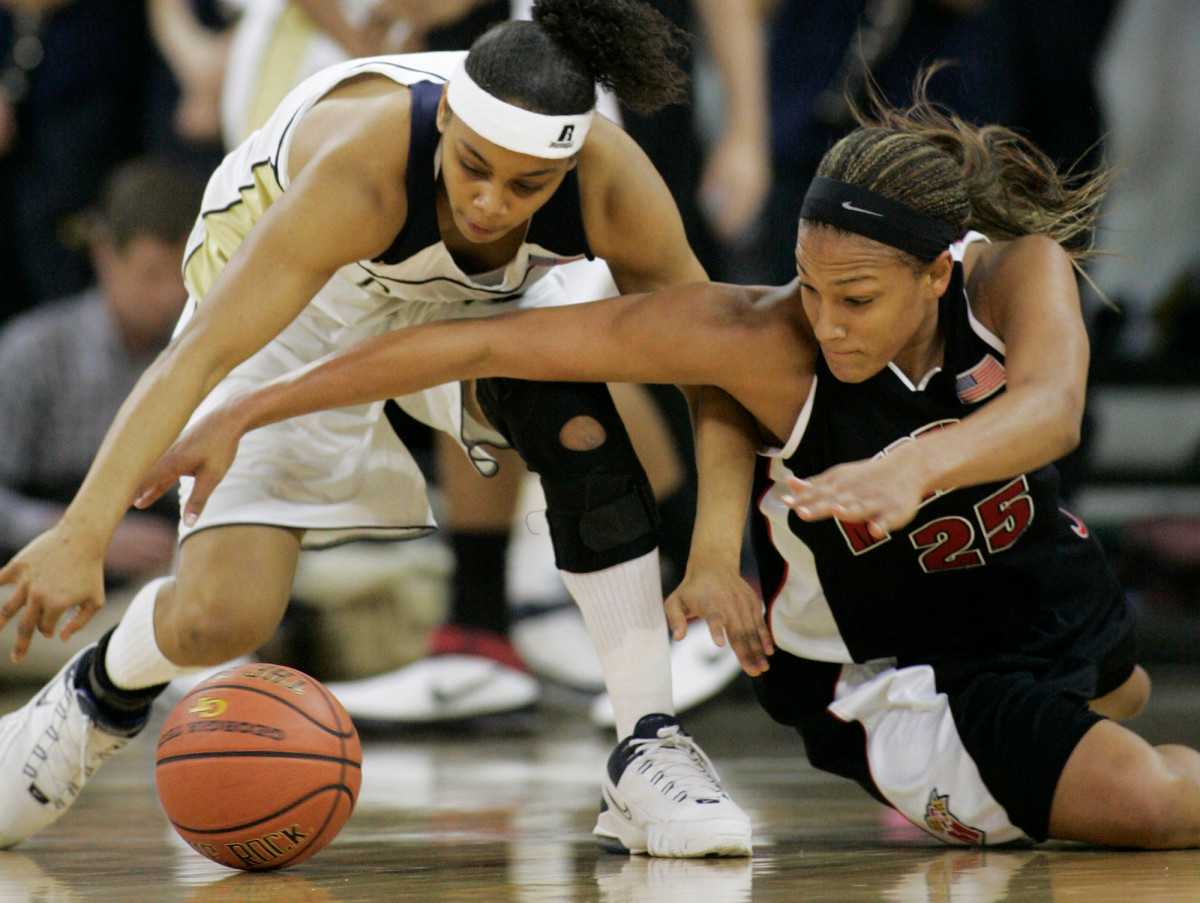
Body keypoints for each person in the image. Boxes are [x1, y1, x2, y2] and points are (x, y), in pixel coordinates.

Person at [136, 71, 1200, 849]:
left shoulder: (1017, 273)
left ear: (937, 275)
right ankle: (928, 767)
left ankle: (1047, 738)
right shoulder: (760, 335)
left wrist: (915, 469)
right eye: (808, 286)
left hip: (1042, 593)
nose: (824, 322)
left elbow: (1054, 413)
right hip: (896, 669)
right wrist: (257, 405)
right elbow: (473, 343)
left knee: (1129, 693)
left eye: (858, 299)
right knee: (1150, 804)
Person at [0, 0, 753, 858]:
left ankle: (648, 745)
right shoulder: (362, 167)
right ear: (450, 123)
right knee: (223, 617)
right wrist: (82, 530)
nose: (490, 202)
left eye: (526, 186)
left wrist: (718, 550)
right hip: (302, 310)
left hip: (474, 308)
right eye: (473, 167)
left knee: (573, 407)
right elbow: (197, 356)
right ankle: (87, 699)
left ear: (569, 162)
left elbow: (716, 362)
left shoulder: (610, 183)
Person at [0, 155, 201, 682]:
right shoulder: (32, 352)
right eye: (152, 275)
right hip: (44, 587)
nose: (171, 296)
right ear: (105, 253)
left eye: (183, 276)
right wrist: (81, 535)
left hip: (169, 579)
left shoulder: (202, 354)